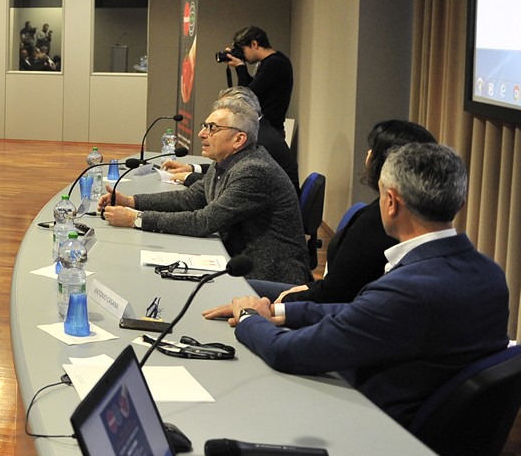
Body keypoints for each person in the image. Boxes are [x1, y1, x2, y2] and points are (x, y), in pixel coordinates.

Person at [215, 143, 509, 427]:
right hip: (436, 428)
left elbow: (287, 352)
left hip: (373, 424)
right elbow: (361, 314)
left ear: (391, 202)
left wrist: (250, 317)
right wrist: (280, 311)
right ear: (459, 202)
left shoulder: (408, 289)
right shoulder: (490, 274)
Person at [209, 119, 438, 308]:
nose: (368, 154)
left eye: (373, 149)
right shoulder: (398, 215)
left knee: (220, 290)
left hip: (325, 308)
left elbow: (336, 296)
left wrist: (285, 303)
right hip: (321, 294)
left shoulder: (377, 223)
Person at [100, 94, 310, 285]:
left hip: (269, 275)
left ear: (239, 139)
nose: (201, 134)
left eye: (212, 128)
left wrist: (136, 219)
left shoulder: (253, 171)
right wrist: (132, 201)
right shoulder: (227, 162)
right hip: (241, 260)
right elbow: (189, 199)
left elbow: (204, 222)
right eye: (205, 126)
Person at [162, 86, 298, 193]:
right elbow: (228, 170)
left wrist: (188, 176)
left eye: (228, 107)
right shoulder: (258, 128)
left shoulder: (258, 140)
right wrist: (192, 168)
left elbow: (234, 182)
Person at [221, 25, 293, 135]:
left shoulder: (274, 63)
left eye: (242, 50)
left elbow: (247, 96)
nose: (243, 55)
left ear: (254, 44)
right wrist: (239, 66)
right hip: (267, 129)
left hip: (268, 131)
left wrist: (240, 67)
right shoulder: (273, 61)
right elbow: (254, 88)